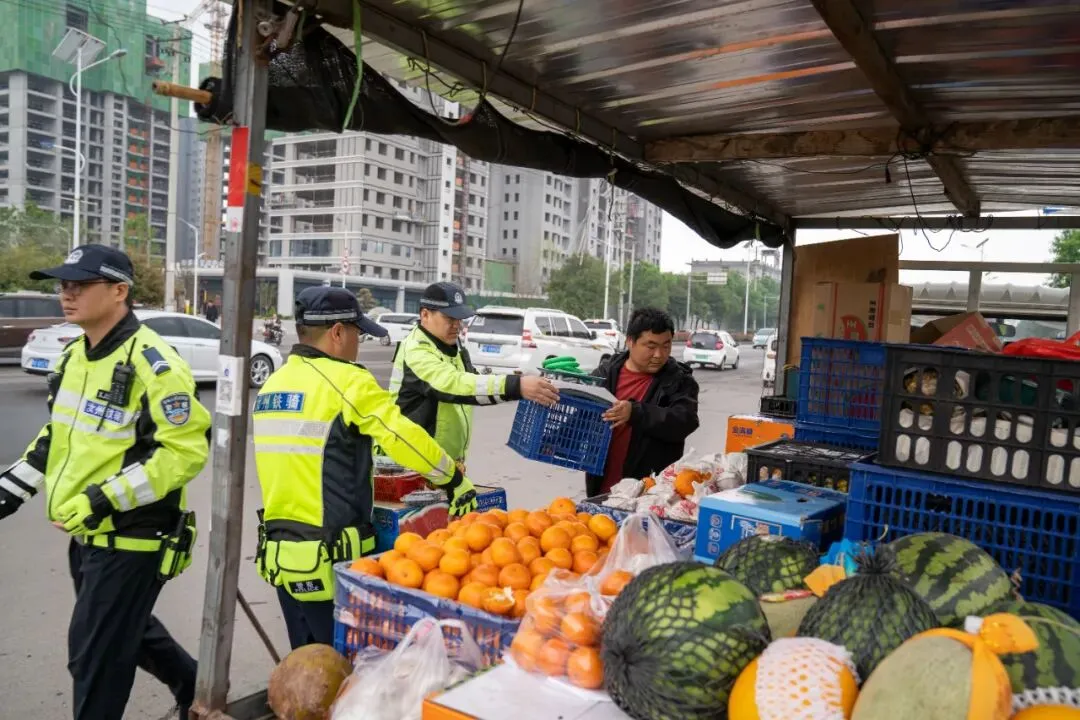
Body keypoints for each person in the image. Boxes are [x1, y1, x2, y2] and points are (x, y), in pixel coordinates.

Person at [0, 245, 211, 720]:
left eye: (80, 285)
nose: (66, 295)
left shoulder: (154, 363)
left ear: (120, 292)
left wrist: (100, 499)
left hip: (134, 537)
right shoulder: (74, 357)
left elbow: (185, 451)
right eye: (63, 285)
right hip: (88, 535)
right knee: (127, 632)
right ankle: (194, 686)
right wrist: (10, 490)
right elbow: (59, 437)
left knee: (93, 657)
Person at [252, 286, 480, 649]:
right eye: (357, 332)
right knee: (344, 671)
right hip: (332, 560)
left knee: (308, 669)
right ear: (338, 332)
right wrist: (453, 479)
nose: (359, 341)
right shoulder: (347, 381)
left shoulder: (273, 385)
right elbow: (403, 437)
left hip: (283, 558)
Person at [389, 282, 559, 466]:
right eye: (449, 318)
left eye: (459, 319)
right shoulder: (416, 350)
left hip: (441, 463)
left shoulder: (451, 345)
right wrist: (517, 386)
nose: (457, 325)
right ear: (425, 315)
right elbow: (454, 384)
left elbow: (475, 382)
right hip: (409, 463)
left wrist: (527, 385)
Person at [587, 307, 699, 497]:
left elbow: (685, 420)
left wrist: (636, 413)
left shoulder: (679, 381)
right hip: (601, 489)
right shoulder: (604, 375)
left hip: (650, 493)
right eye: (651, 346)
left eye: (666, 346)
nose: (659, 354)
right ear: (630, 341)